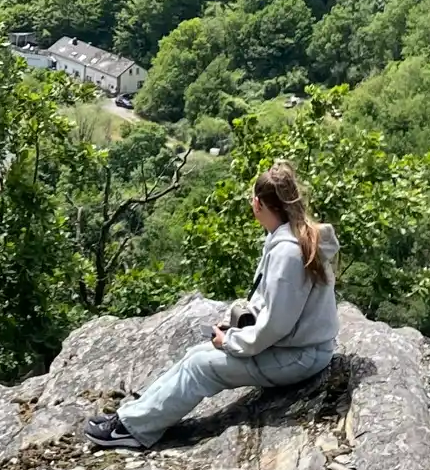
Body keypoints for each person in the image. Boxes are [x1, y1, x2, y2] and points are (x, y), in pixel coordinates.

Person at [86, 161, 339, 452]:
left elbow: (276, 326)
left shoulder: (288, 253)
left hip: (300, 358)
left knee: (201, 366)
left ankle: (131, 430)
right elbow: (276, 306)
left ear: (257, 204)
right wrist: (236, 327)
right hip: (300, 350)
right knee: (197, 354)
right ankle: (132, 416)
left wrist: (231, 340)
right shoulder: (289, 238)